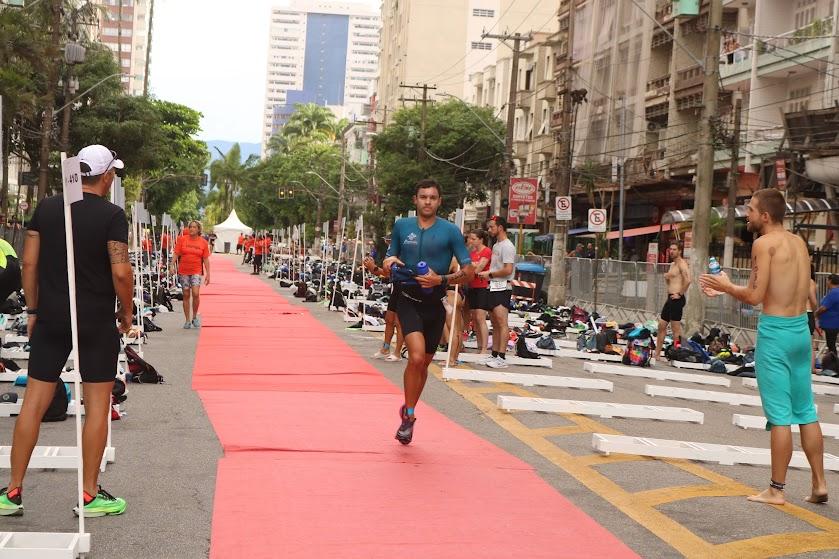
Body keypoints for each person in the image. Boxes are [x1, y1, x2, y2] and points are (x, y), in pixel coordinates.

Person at [0, 144, 132, 518]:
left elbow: (29, 262)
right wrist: (127, 311)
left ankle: (11, 492)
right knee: (96, 406)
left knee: (33, 403)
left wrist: (34, 308)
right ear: (106, 176)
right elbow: (121, 270)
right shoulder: (111, 215)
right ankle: (89, 495)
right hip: (94, 319)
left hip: (52, 317)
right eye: (113, 174)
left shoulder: (47, 207)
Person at [700, 188, 826, 506]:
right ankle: (819, 484)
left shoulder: (763, 244)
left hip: (776, 333)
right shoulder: (799, 243)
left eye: (752, 210)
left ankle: (776, 489)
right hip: (801, 332)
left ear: (766, 216)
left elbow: (755, 296)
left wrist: (726, 286)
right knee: (806, 411)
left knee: (780, 417)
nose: (748, 215)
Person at [383, 179, 474, 445]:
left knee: (423, 363)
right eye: (423, 197)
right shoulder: (402, 226)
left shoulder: (451, 231)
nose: (427, 202)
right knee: (416, 356)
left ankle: (409, 407)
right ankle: (409, 416)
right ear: (415, 200)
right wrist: (390, 262)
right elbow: (389, 257)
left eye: (432, 197)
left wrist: (441, 280)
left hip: (435, 302)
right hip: (407, 298)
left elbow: (469, 271)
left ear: (439, 201)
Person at [476, 216, 516, 368]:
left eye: (492, 227)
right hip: (492, 285)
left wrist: (489, 274)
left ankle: (502, 356)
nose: (489, 230)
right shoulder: (496, 245)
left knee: (501, 321)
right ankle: (495, 354)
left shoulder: (507, 246)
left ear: (500, 227)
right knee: (494, 321)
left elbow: (508, 269)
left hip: (502, 286)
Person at [654, 242, 690, 361]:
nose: (672, 251)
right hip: (670, 298)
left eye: (674, 249)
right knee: (661, 325)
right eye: (671, 249)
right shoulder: (672, 264)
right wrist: (667, 279)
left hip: (677, 299)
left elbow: (688, 280)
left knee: (676, 329)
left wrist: (680, 294)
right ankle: (657, 354)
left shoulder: (682, 264)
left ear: (680, 251)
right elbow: (670, 282)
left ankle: (676, 353)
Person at [364, 256, 403, 362]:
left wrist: (374, 268)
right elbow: (386, 273)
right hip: (395, 288)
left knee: (399, 322)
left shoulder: (404, 252)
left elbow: (389, 273)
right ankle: (385, 348)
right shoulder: (392, 253)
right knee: (389, 319)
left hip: (404, 288)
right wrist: (373, 268)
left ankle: (397, 353)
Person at [173, 220, 210, 329]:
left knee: (195, 293)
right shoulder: (182, 240)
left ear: (198, 229)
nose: (192, 229)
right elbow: (176, 253)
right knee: (186, 295)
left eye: (194, 227)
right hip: (184, 270)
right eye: (190, 227)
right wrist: (171, 265)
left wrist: (208, 274)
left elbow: (206, 259)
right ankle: (187, 320)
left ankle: (194, 317)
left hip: (196, 270)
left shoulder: (203, 242)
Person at [466, 229, 492, 354]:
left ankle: (484, 348)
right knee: (475, 318)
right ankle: (479, 344)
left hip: (482, 286)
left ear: (481, 240)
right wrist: (473, 264)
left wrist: (473, 265)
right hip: (472, 286)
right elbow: (469, 267)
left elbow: (478, 268)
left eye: (474, 239)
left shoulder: (486, 251)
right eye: (470, 238)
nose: (471, 241)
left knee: (481, 317)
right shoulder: (472, 253)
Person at [816, 274, 839, 355]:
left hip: (832, 324)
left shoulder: (833, 293)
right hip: (834, 324)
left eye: (827, 280)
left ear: (830, 281)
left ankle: (833, 365)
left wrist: (816, 313)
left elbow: (823, 308)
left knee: (831, 346)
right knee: (831, 345)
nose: (826, 282)